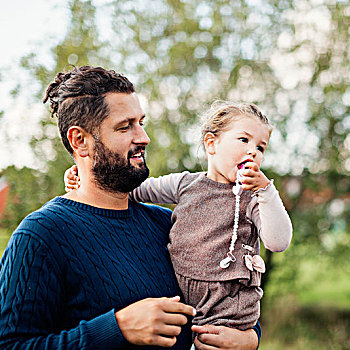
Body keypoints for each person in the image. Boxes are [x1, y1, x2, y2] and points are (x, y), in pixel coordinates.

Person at [0, 66, 260, 349]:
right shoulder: (41, 236)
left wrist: (249, 338)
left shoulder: (169, 224)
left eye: (141, 122)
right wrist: (117, 328)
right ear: (80, 141)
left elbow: (231, 291)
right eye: (125, 126)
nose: (144, 138)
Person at [65, 101, 293, 344]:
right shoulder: (186, 185)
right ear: (211, 144)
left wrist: (266, 190)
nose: (253, 152)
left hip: (228, 308)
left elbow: (278, 242)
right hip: (186, 300)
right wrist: (85, 175)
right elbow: (133, 190)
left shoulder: (252, 198)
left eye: (261, 148)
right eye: (244, 140)